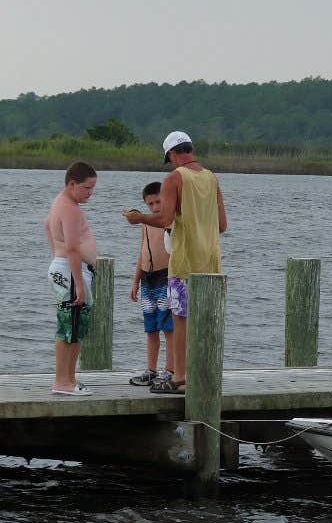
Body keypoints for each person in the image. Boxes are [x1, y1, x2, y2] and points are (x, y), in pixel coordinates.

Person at [123, 131, 227, 393]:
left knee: (180, 320)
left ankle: (180, 378)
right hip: (211, 263)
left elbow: (164, 218)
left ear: (171, 154)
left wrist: (139, 218)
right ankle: (203, 375)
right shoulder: (211, 177)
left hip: (182, 264)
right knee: (203, 322)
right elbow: (222, 225)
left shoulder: (174, 178)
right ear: (190, 148)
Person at [44, 162, 98, 395]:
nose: (90, 193)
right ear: (72, 184)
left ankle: (69, 379)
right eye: (87, 188)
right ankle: (62, 382)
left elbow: (47, 225)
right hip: (70, 270)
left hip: (63, 266)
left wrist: (56, 254)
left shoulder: (61, 202)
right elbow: (74, 248)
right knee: (71, 326)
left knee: (74, 325)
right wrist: (79, 284)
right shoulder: (69, 208)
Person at [128, 182, 175, 386]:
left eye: (158, 202)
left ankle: (171, 369)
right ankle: (151, 369)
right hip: (147, 279)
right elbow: (142, 252)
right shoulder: (146, 223)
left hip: (165, 277)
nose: (155, 207)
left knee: (168, 326)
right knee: (151, 327)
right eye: (150, 204)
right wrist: (135, 281)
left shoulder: (170, 222)